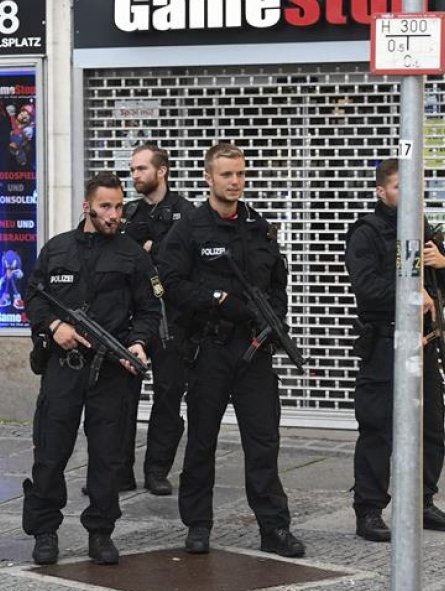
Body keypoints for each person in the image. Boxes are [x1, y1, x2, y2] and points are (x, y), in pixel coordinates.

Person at [158, 143, 304, 558]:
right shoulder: (189, 228)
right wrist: (217, 299)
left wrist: (273, 317)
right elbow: (170, 281)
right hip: (211, 348)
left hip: (254, 351)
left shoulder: (258, 226)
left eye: (240, 174)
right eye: (226, 175)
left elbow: (278, 281)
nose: (235, 182)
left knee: (263, 441)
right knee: (202, 440)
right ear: (209, 178)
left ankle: (273, 527)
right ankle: (198, 524)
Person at [23, 172, 162, 566]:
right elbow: (33, 298)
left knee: (107, 457)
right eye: (105, 206)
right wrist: (54, 326)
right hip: (64, 367)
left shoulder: (133, 253)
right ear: (87, 206)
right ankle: (45, 531)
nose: (113, 214)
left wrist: (138, 342)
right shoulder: (57, 249)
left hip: (111, 371)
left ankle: (101, 532)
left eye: (118, 206)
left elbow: (151, 310)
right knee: (50, 452)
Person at [343, 158, 445, 542]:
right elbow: (366, 287)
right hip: (384, 343)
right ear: (382, 191)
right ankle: (369, 510)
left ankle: (423, 502)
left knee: (429, 428)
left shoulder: (423, 229)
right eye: (399, 187)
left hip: (423, 344)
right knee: (378, 429)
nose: (409, 195)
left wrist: (443, 263)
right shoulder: (366, 232)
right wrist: (412, 293)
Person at [119, 144, 195, 496]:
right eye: (133, 169)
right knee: (120, 397)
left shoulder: (186, 213)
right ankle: (118, 471)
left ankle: (157, 470)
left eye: (141, 169)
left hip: (172, 320)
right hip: (130, 318)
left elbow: (187, 268)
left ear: (162, 171)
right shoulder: (127, 213)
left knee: (168, 395)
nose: (135, 175)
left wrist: (151, 255)